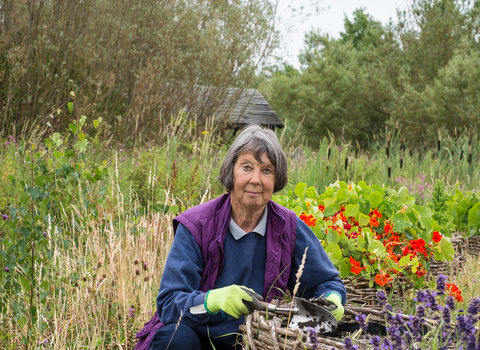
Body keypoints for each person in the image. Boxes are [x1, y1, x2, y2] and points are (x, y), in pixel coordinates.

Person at [135, 125, 346, 350]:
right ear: (231, 172)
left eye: (267, 170)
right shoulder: (197, 225)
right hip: (196, 336)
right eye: (247, 167)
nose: (256, 179)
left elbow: (326, 281)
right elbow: (169, 304)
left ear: (276, 179)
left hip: (255, 340)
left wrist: (332, 299)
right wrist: (211, 301)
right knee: (176, 340)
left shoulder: (288, 227)